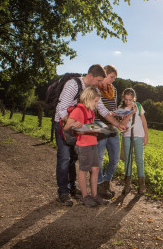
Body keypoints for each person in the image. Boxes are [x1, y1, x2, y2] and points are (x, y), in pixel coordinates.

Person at [54, 64, 126, 206]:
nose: (100, 84)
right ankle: (63, 192)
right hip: (63, 124)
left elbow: (103, 110)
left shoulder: (93, 90)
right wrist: (74, 123)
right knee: (64, 158)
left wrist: (117, 125)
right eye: (99, 81)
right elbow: (61, 108)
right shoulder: (73, 85)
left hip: (79, 127)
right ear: (91, 76)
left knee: (74, 159)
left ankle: (73, 189)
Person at [63, 87, 109, 207]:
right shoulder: (78, 110)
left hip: (93, 143)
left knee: (95, 169)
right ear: (88, 99)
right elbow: (66, 128)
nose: (97, 104)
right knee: (83, 171)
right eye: (95, 101)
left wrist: (100, 128)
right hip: (83, 145)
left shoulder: (91, 112)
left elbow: (89, 127)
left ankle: (94, 195)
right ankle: (84, 197)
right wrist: (73, 124)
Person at [96, 65, 120, 199]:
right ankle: (99, 184)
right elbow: (97, 108)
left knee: (115, 157)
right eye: (111, 77)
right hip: (99, 125)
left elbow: (113, 107)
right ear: (104, 75)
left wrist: (118, 113)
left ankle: (107, 181)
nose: (113, 80)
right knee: (99, 157)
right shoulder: (96, 88)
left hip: (112, 126)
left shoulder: (113, 90)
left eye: (114, 78)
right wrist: (108, 113)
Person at [119, 88, 149, 195]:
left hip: (139, 136)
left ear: (134, 98)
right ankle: (127, 184)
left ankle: (142, 186)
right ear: (123, 98)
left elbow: (144, 122)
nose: (128, 102)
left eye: (130, 100)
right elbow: (122, 123)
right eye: (126, 99)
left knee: (139, 159)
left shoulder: (139, 106)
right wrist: (131, 113)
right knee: (128, 160)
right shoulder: (121, 108)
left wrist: (146, 136)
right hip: (127, 136)